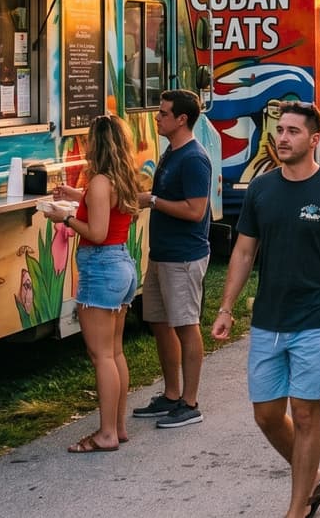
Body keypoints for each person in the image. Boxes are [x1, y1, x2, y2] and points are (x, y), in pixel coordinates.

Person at [212, 102, 320, 518]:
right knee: (266, 415)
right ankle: (311, 476)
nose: (282, 138)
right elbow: (244, 252)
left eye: (293, 132)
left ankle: (297, 508)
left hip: (316, 317)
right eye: (280, 131)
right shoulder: (261, 189)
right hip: (268, 318)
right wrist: (226, 307)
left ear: (314, 140)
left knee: (304, 413)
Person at [45, 114, 141, 453]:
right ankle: (118, 427)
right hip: (122, 266)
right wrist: (76, 195)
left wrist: (65, 217)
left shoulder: (101, 181)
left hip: (102, 269)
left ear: (97, 142)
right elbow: (105, 211)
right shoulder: (121, 177)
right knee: (114, 352)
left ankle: (106, 434)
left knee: (100, 355)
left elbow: (97, 233)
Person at [132, 90, 212, 430]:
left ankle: (190, 402)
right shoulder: (171, 151)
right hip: (162, 255)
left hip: (184, 257)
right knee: (159, 323)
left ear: (182, 119)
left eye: (163, 113)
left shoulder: (194, 158)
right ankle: (171, 393)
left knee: (185, 325)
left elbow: (196, 211)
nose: (157, 117)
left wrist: (152, 200)